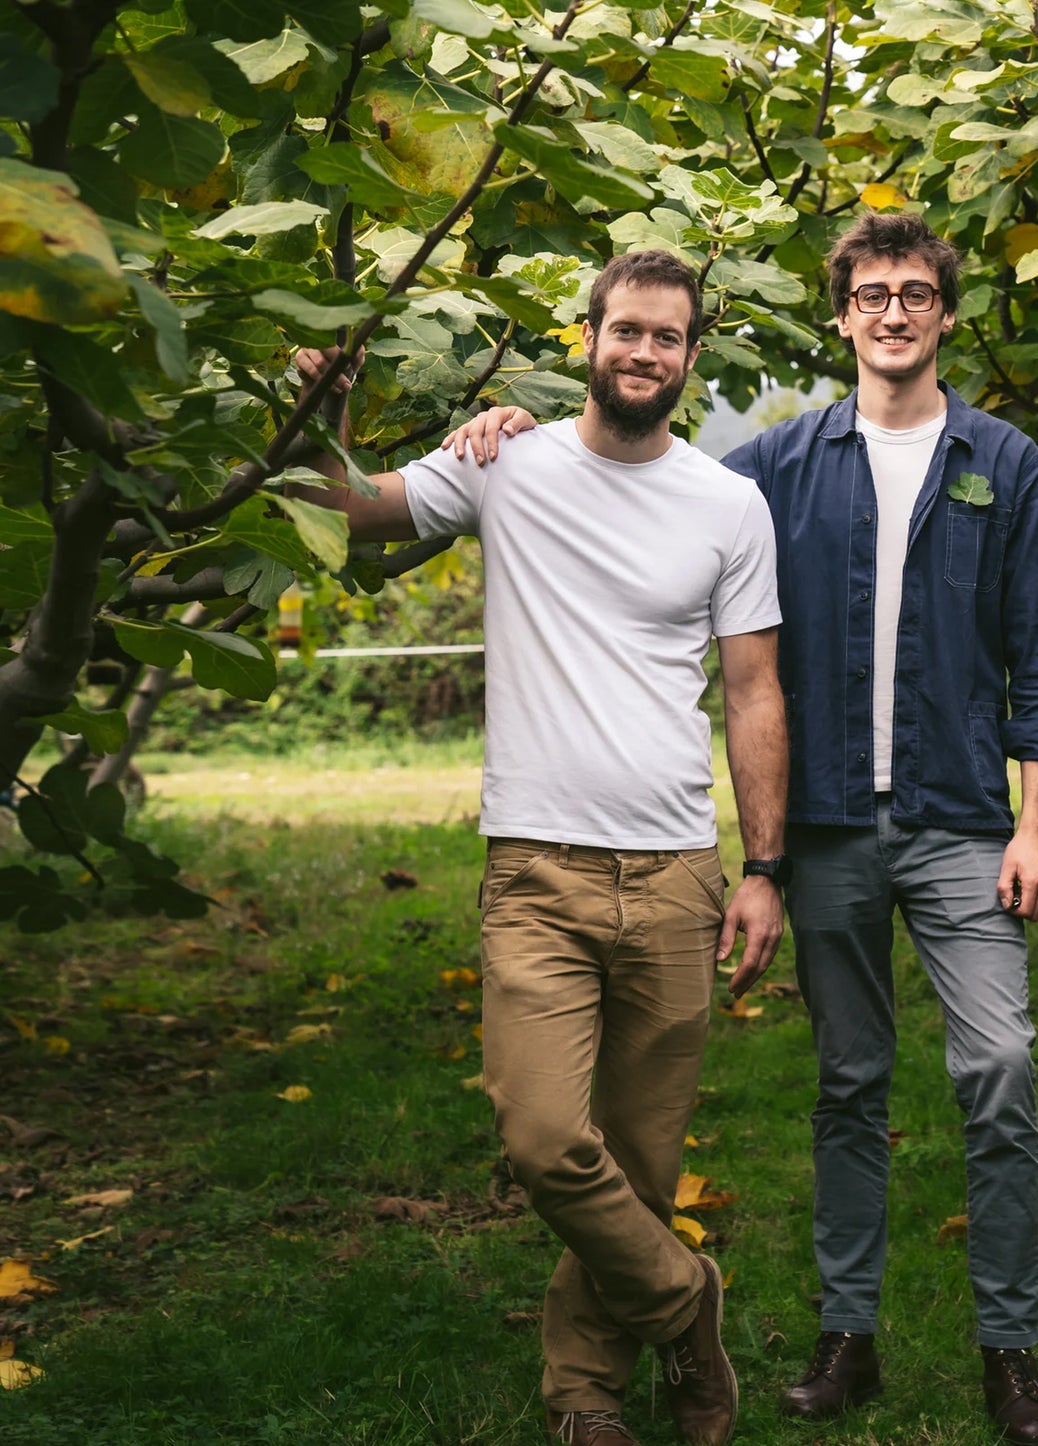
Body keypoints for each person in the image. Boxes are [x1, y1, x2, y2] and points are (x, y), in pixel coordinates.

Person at [450, 213, 1038, 1443]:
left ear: (944, 314)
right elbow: (637, 478)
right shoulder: (774, 467)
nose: (891, 312)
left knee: (995, 1070)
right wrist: (507, 425)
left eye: (914, 293)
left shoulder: (1003, 461)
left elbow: (1036, 656)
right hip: (833, 829)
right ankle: (850, 1338)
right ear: (840, 314)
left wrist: (1035, 822)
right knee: (848, 1082)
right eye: (869, 294)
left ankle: (1008, 1349)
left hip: (960, 820)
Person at [294, 248, 789, 1446]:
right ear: (587, 340)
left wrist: (764, 869)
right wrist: (320, 419)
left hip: (676, 869)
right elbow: (349, 514)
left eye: (666, 337)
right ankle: (686, 1304)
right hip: (536, 874)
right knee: (542, 1140)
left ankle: (584, 1399)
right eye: (625, 330)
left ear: (688, 355)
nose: (643, 352)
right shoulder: (503, 461)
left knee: (638, 1156)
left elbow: (755, 693)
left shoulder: (728, 504)